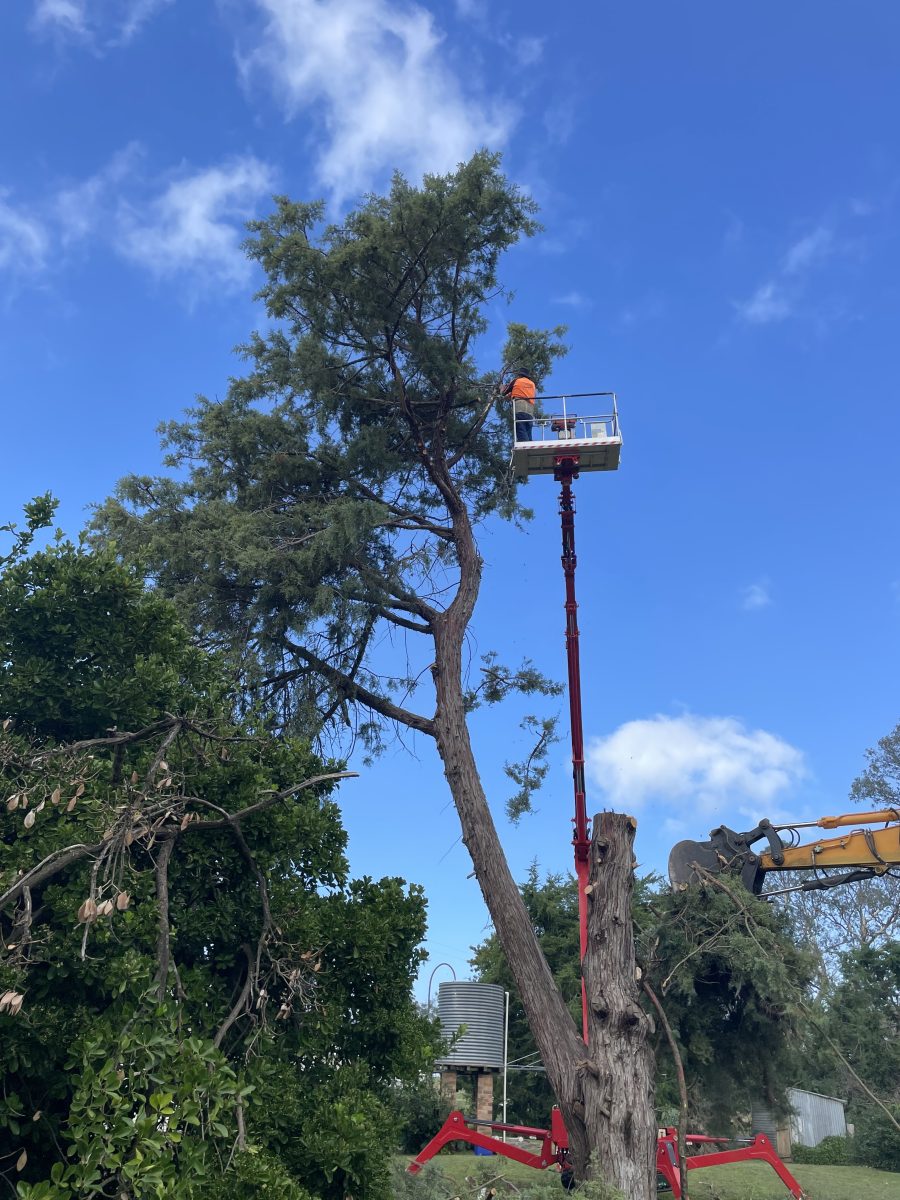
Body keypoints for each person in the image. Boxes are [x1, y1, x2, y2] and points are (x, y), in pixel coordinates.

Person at [502, 369, 536, 442]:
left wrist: (501, 388)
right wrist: (511, 394)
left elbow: (504, 392)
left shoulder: (517, 381)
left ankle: (525, 446)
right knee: (528, 430)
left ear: (520, 375)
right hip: (530, 409)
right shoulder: (532, 384)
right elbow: (523, 392)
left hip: (520, 406)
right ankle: (529, 445)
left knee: (521, 428)